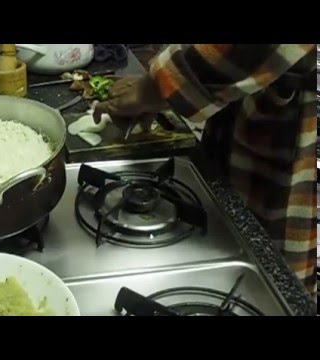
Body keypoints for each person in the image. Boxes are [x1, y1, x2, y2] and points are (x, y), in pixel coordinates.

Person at [93, 44, 317, 295]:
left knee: (271, 282)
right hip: (245, 116)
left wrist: (157, 86)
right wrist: (168, 86)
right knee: (231, 242)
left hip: (288, 130)